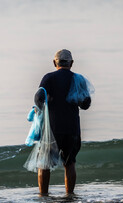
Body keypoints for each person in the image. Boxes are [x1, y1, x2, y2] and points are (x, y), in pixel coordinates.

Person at [34, 49, 91, 195]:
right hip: (72, 129)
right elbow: (86, 104)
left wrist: (41, 107)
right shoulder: (78, 79)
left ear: (54, 63)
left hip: (52, 129)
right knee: (70, 163)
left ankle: (44, 196)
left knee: (44, 164)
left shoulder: (49, 78)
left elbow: (39, 97)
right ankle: (69, 196)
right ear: (71, 63)